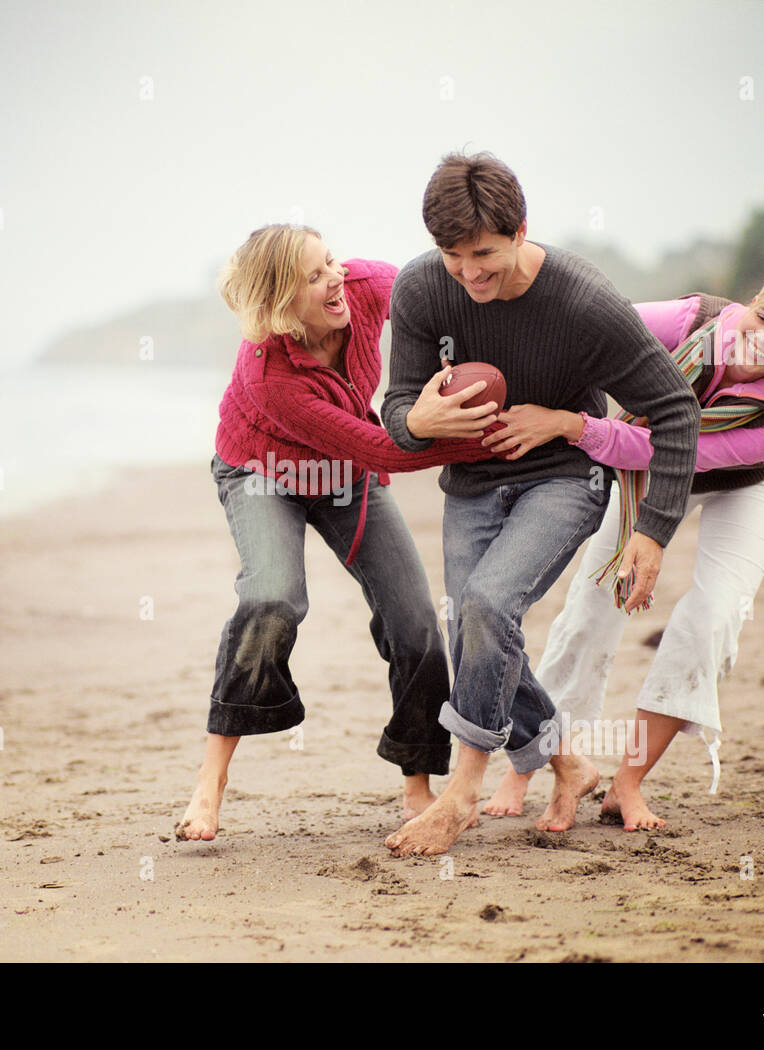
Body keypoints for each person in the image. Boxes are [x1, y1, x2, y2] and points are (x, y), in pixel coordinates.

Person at [379, 152, 701, 857]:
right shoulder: (422, 288)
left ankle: (462, 792)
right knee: (476, 629)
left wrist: (652, 530)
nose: (469, 272)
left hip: (565, 476)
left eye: (484, 253)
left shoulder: (581, 302)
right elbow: (396, 409)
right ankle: (568, 763)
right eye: (452, 255)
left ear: (522, 230)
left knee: (489, 607)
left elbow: (675, 410)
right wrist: (420, 422)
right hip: (471, 482)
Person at [175, 223, 512, 842]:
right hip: (262, 471)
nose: (337, 278)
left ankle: (418, 779)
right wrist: (439, 427)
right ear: (280, 303)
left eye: (329, 261)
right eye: (314, 276)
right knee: (271, 597)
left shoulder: (364, 286)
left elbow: (443, 284)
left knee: (414, 619)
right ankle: (211, 779)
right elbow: (387, 448)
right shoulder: (269, 378)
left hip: (346, 472)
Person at [481, 268, 764, 830]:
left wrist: (571, 426)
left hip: (735, 475)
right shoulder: (689, 321)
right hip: (650, 451)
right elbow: (587, 329)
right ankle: (535, 764)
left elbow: (667, 454)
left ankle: (629, 780)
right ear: (750, 304)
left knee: (716, 613)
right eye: (763, 316)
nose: (763, 336)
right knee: (592, 600)